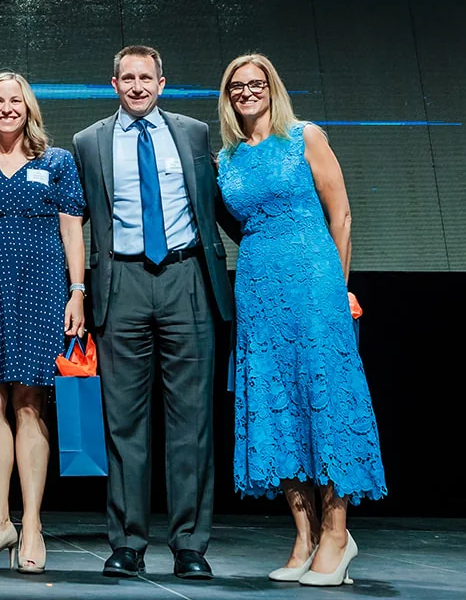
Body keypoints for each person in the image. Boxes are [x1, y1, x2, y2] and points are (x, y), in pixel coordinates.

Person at [215, 53, 385, 588]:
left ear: (272, 87)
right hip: (260, 286)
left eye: (255, 83)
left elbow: (342, 214)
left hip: (315, 282)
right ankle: (305, 536)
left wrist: (338, 288)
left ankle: (338, 533)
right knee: (275, 404)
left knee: (326, 404)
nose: (246, 92)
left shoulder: (304, 136)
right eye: (236, 86)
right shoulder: (227, 160)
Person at [71, 45, 235, 581]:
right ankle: (127, 542)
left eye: (148, 78)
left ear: (162, 83)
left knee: (192, 422)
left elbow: (217, 204)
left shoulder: (192, 133)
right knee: (124, 423)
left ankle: (190, 544)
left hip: (188, 278)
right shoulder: (88, 142)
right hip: (122, 281)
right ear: (113, 83)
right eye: (128, 78)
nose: (138, 86)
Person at [0, 72, 87, 575]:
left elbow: (72, 228)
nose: (7, 108)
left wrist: (78, 291)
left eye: (16, 100)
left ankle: (32, 526)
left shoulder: (58, 162)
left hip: (42, 286)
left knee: (29, 402)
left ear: (29, 108)